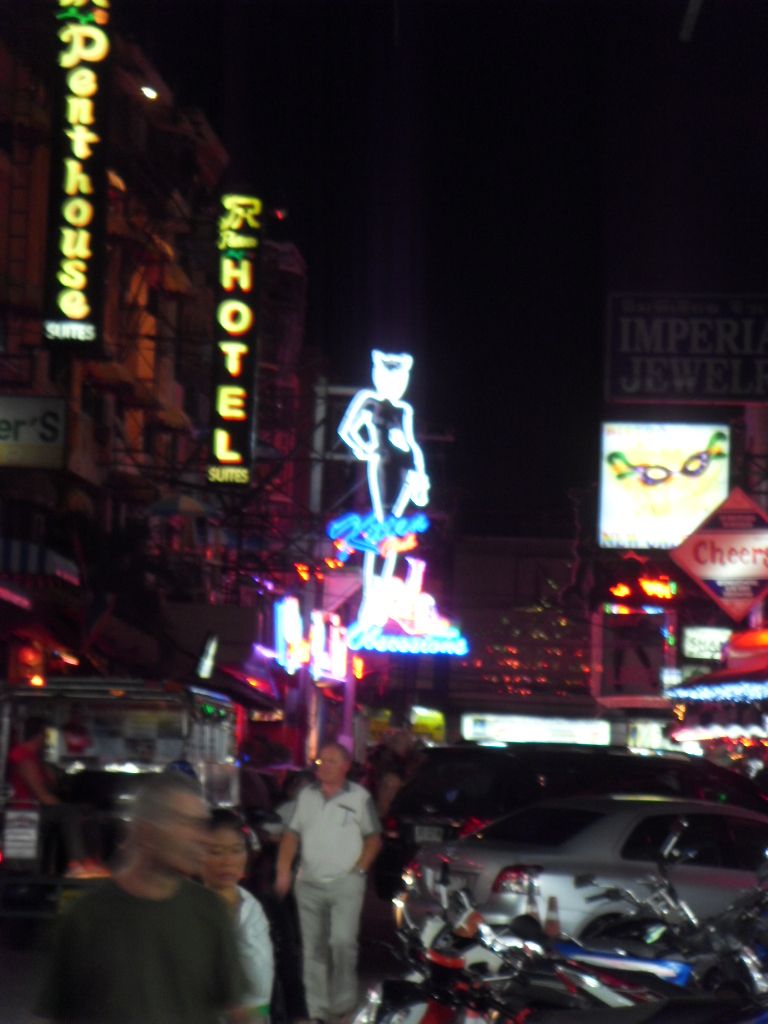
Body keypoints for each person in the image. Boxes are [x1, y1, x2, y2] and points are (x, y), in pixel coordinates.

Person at [34, 771, 249, 1024]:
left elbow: (237, 1011)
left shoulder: (209, 910)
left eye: (202, 825)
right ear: (146, 832)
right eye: (186, 824)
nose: (202, 838)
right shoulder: (86, 917)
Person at [275, 742, 382, 1024]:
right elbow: (291, 835)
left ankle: (342, 1004)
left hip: (345, 882)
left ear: (345, 766)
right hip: (308, 882)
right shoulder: (306, 796)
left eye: (332, 761)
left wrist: (359, 870)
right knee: (314, 948)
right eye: (321, 761)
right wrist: (284, 871)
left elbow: (374, 838)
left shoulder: (359, 797)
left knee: (342, 942)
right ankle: (317, 1009)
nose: (325, 767)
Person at [7, 715, 106, 878]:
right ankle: (77, 862)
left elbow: (51, 785)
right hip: (27, 810)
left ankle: (92, 860)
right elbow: (42, 796)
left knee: (86, 811)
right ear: (40, 735)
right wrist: (63, 806)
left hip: (38, 809)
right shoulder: (23, 756)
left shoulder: (37, 758)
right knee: (70, 813)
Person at [202, 809, 275, 1021]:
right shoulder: (188, 909)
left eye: (236, 850)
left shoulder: (256, 907)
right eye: (216, 852)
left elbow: (267, 983)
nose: (227, 861)